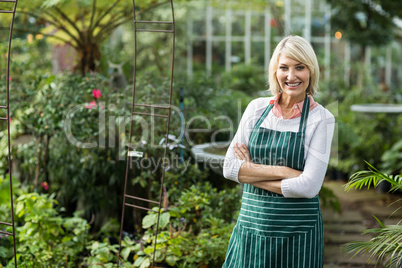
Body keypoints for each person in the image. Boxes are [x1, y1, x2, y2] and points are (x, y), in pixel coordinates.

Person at [222, 35, 335, 268]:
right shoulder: (256, 108)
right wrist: (286, 171)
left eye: (299, 68)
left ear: (311, 70)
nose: (291, 76)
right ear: (275, 71)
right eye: (284, 68)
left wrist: (250, 174)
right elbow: (229, 167)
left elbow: (309, 186)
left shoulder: (322, 119)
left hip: (297, 236)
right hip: (252, 229)